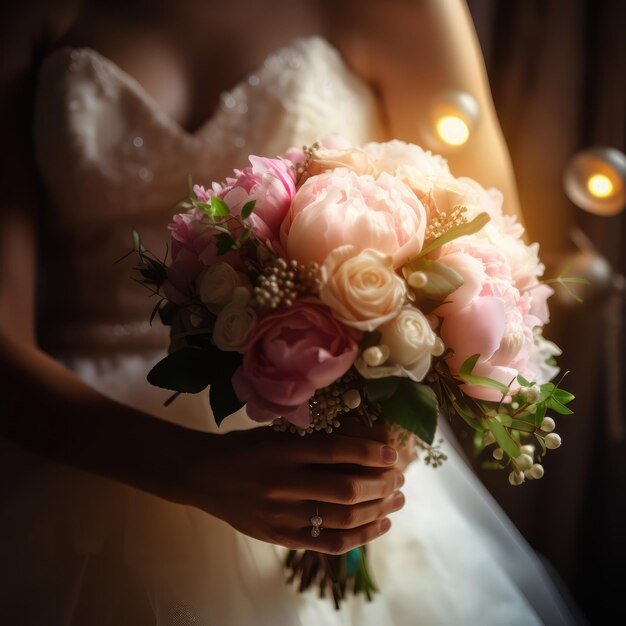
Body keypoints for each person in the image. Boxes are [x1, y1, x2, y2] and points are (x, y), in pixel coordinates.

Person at [0, 0, 578, 623]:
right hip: (75, 442)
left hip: (330, 431)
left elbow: (493, 257)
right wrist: (189, 469)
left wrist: (381, 417)